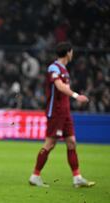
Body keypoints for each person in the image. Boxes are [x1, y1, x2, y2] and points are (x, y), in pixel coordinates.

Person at [29, 42, 95, 188]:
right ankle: (35, 175)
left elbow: (63, 88)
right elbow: (59, 86)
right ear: (68, 52)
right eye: (71, 52)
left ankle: (77, 178)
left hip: (65, 112)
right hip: (56, 111)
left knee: (71, 142)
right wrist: (76, 96)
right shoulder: (54, 67)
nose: (72, 54)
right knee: (50, 143)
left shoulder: (64, 69)